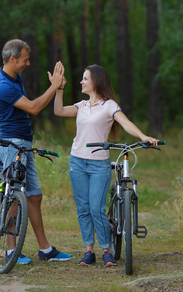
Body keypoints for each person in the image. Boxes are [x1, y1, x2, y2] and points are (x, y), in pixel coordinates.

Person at [53, 64, 159, 267]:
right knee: (83, 208)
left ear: (96, 81)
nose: (81, 82)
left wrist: (143, 136)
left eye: (85, 78)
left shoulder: (109, 105)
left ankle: (106, 251)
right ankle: (88, 252)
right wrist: (59, 88)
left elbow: (126, 123)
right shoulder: (82, 106)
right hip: (77, 161)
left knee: (96, 208)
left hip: (98, 164)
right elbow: (58, 111)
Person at [0, 39, 72, 264]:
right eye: (25, 59)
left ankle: (45, 249)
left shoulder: (16, 78)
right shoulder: (3, 85)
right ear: (12, 59)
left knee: (34, 196)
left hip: (24, 143)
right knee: (14, 198)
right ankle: (10, 251)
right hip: (12, 145)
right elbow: (34, 108)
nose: (28, 63)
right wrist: (54, 86)